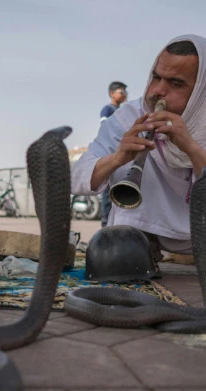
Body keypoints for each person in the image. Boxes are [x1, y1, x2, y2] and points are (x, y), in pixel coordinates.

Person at [71, 34, 206, 257]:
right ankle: (141, 249)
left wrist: (191, 147)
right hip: (139, 231)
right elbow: (76, 179)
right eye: (156, 77)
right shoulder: (128, 117)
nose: (157, 91)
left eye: (175, 83)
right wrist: (118, 158)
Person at [99, 81, 128, 227]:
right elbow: (106, 130)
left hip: (122, 156)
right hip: (112, 154)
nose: (124, 95)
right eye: (121, 92)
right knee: (108, 190)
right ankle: (106, 224)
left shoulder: (125, 112)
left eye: (125, 92)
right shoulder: (108, 110)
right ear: (112, 94)